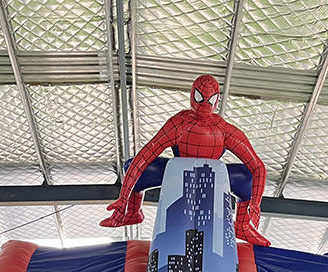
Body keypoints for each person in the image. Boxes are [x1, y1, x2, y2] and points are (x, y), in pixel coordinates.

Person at [100, 74, 271, 246]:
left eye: (210, 100)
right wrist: (124, 197)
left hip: (211, 177)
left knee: (247, 176)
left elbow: (257, 168)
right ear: (192, 96)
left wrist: (256, 203)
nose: (204, 105)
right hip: (177, 173)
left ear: (216, 100)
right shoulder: (179, 124)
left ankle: (242, 225)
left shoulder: (224, 130)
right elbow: (143, 157)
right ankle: (133, 212)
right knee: (132, 166)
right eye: (199, 98)